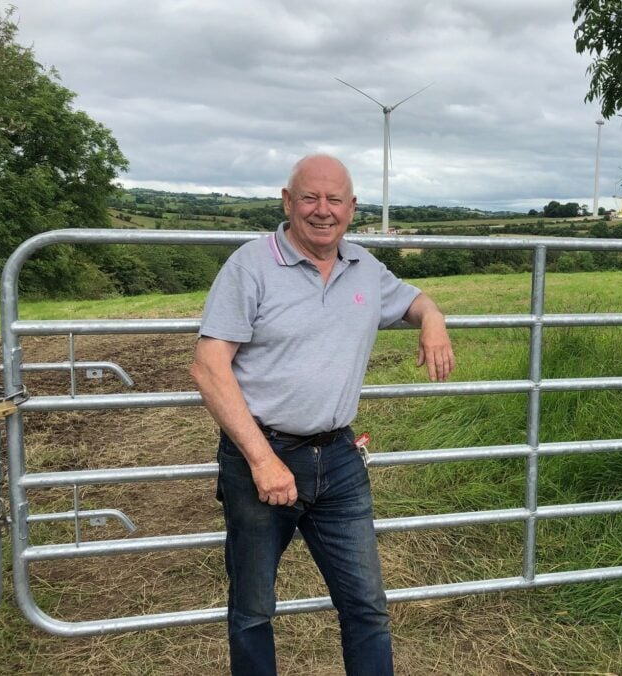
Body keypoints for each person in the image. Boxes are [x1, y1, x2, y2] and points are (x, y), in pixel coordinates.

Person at [190, 154, 455, 675]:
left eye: (335, 199)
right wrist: (263, 461)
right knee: (253, 609)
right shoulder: (250, 265)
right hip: (261, 456)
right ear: (287, 202)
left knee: (366, 605)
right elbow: (207, 367)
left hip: (338, 458)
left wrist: (434, 318)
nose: (322, 210)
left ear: (352, 208)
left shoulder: (365, 266)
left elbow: (413, 300)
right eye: (309, 197)